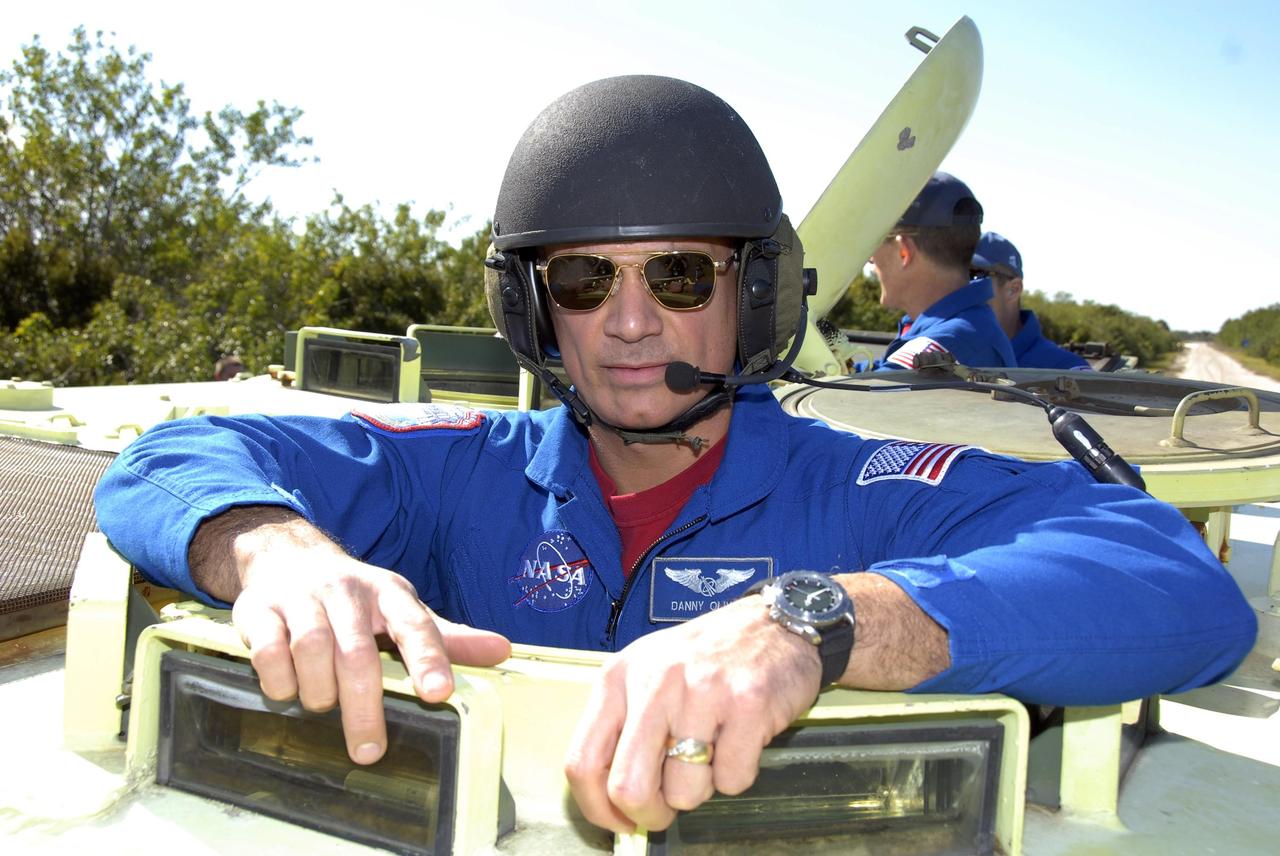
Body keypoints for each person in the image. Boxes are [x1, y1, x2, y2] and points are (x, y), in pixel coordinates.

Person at [93, 75, 1256, 836]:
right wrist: (274, 548)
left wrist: (814, 623)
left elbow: (1170, 576)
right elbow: (172, 457)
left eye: (681, 276)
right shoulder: (458, 470)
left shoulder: (857, 492)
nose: (630, 321)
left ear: (754, 293)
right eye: (583, 280)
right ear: (533, 311)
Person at [864, 173, 1017, 371]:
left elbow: (869, 388)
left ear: (904, 252)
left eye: (873, 248)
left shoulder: (948, 344)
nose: (871, 261)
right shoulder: (963, 327)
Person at [972, 231, 1091, 369]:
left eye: (974, 275)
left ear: (1013, 289)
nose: (962, 286)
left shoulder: (1065, 369)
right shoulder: (955, 358)